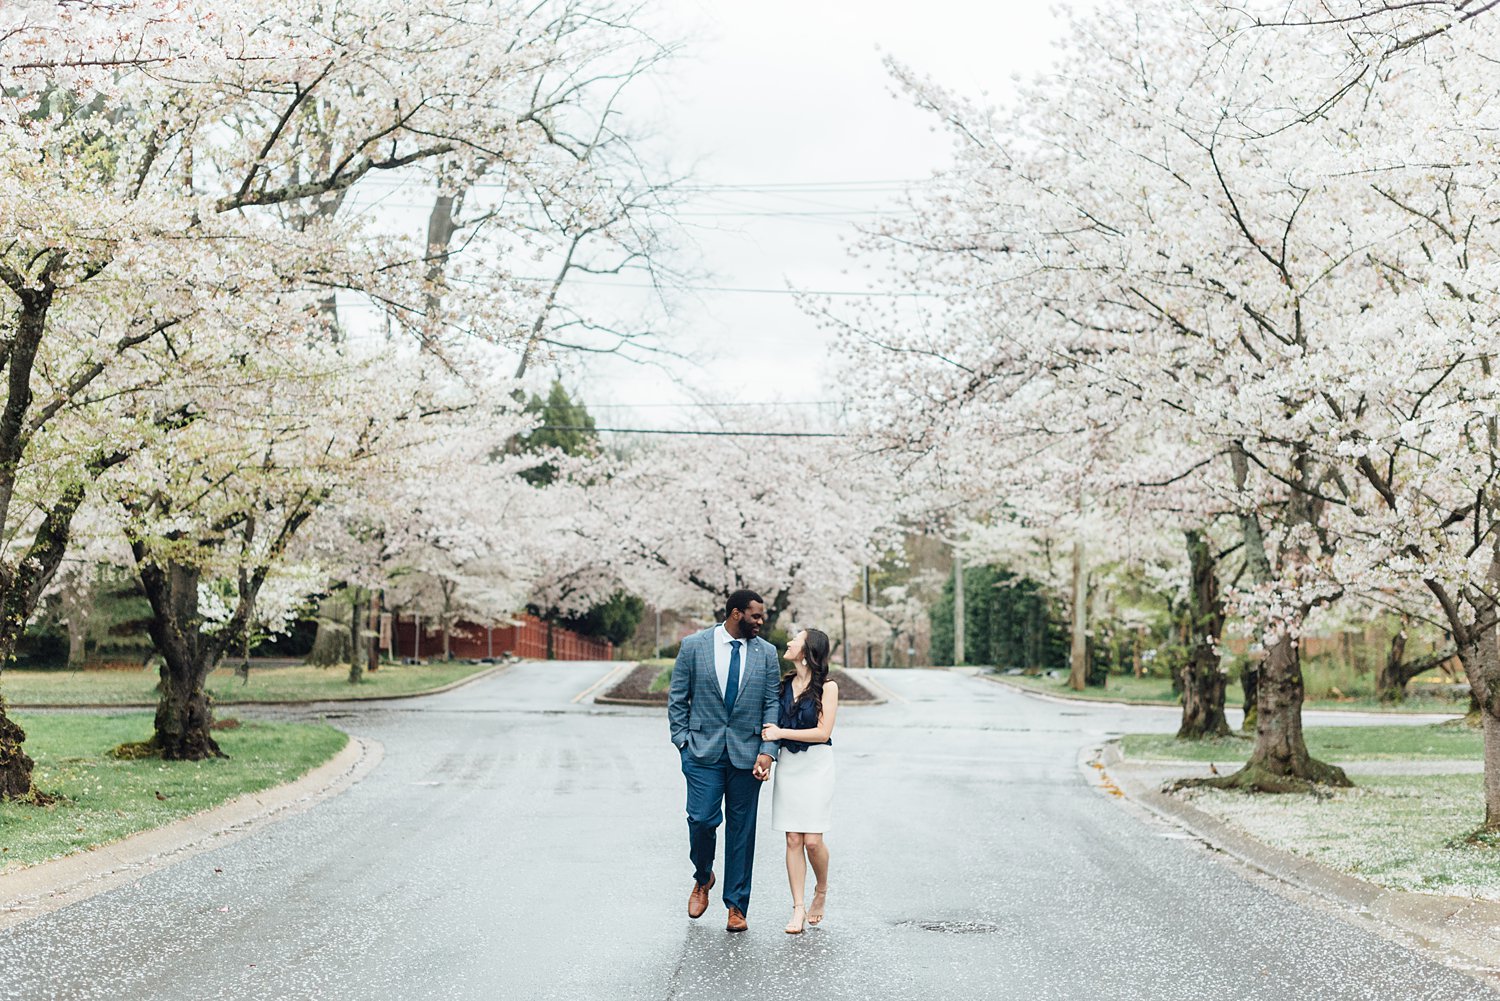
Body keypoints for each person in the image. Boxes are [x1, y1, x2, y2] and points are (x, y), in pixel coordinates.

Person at [667, 589, 782, 932]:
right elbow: (677, 699)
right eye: (756, 616)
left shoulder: (767, 653)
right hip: (702, 751)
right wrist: (682, 742)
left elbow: (771, 704)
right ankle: (703, 877)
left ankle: (736, 905)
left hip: (749, 753)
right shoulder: (694, 646)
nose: (762, 622)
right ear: (735, 614)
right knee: (701, 820)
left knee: (742, 831)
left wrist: (768, 750)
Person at [761, 628, 838, 935]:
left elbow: (823, 732)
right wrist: (765, 757)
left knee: (812, 840)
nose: (789, 642)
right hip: (789, 766)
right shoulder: (783, 685)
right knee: (793, 839)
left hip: (817, 766)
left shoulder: (828, 687)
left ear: (808, 650)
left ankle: (821, 889)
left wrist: (781, 734)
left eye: (796, 639)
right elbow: (769, 725)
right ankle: (798, 908)